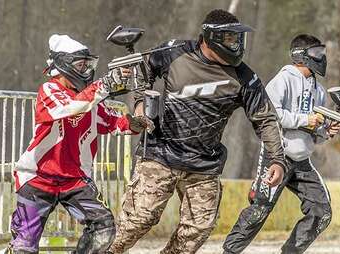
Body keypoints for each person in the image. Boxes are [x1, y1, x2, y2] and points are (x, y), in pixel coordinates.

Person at [109, 9, 286, 254]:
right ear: (209, 38)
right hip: (160, 153)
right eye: (230, 39)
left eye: (238, 39)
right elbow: (142, 73)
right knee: (137, 220)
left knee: (198, 228)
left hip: (204, 164)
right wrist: (140, 105)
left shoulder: (245, 77)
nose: (236, 45)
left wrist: (277, 160)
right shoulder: (174, 52)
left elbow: (265, 119)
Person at [8, 34, 149, 254]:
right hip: (38, 178)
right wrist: (104, 85)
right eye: (80, 65)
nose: (86, 70)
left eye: (88, 64)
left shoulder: (90, 100)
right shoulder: (49, 90)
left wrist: (138, 122)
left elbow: (114, 122)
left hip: (75, 181)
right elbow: (69, 107)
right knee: (24, 247)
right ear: (63, 64)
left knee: (104, 227)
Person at [223, 34, 340, 254]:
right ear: (300, 55)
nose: (321, 58)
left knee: (322, 211)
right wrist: (306, 119)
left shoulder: (319, 90)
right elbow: (271, 115)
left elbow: (314, 130)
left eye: (322, 53)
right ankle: (229, 252)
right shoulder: (284, 79)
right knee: (259, 210)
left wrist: (326, 131)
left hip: (302, 161)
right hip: (276, 156)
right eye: (317, 53)